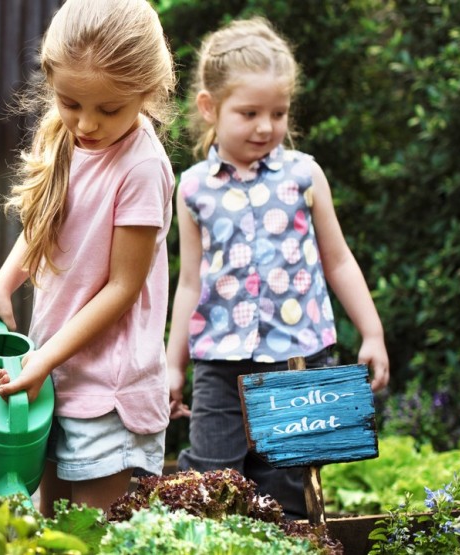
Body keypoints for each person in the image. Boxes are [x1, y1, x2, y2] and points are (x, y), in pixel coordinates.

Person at [166, 17, 390, 520]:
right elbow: (189, 283)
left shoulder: (304, 174)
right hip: (220, 366)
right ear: (209, 108)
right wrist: (171, 363)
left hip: (298, 361)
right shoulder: (194, 188)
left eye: (279, 112)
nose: (266, 126)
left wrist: (371, 332)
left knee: (287, 491)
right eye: (249, 113)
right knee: (211, 483)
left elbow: (339, 260)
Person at [0, 0, 176, 516]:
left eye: (109, 110)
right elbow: (44, 224)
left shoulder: (142, 168)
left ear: (147, 93)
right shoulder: (65, 135)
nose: (86, 123)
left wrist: (44, 358)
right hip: (57, 374)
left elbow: (123, 289)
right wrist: (2, 284)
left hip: (109, 393)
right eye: (70, 103)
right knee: (49, 527)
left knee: (95, 534)